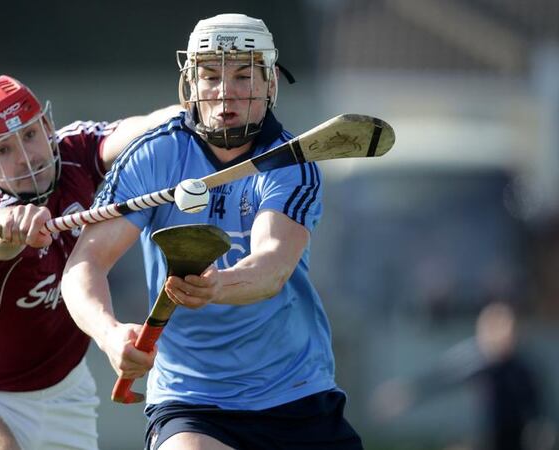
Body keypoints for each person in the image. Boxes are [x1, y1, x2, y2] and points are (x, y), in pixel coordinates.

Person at [61, 13, 363, 450]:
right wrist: (109, 335)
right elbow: (83, 265)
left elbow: (272, 266)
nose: (226, 93)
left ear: (269, 83)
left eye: (243, 76)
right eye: (210, 76)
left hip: (295, 392)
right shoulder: (154, 155)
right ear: (190, 85)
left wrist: (215, 286)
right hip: (192, 400)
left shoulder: (290, 163)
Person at [0, 74, 182, 450]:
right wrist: (8, 230)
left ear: (48, 125)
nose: (25, 156)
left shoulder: (74, 151)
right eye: (3, 150)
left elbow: (143, 129)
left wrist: (200, 111)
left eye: (31, 135)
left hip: (65, 395)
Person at [370, 301, 555, 450]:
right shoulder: (478, 360)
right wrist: (406, 393)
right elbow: (441, 378)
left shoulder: (524, 368)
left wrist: (540, 429)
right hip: (486, 438)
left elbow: (536, 406)